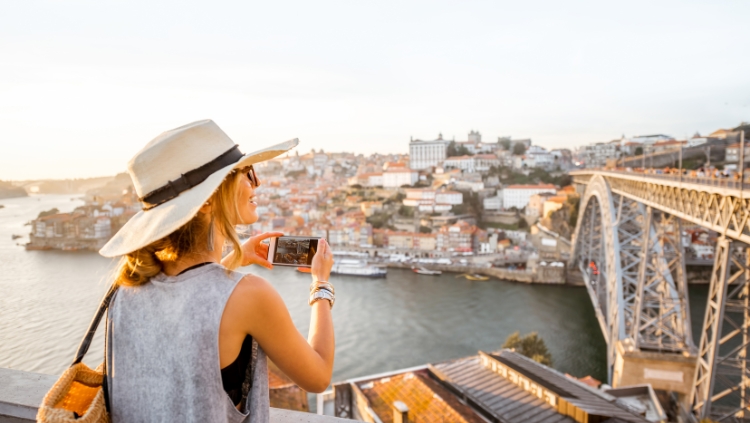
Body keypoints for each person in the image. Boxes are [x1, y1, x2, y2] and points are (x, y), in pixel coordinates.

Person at [99, 120, 335, 423]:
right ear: (209, 199)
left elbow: (191, 306)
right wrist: (321, 285)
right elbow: (318, 376)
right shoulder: (250, 295)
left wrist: (233, 260)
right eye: (246, 173)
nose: (256, 183)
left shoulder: (125, 289)